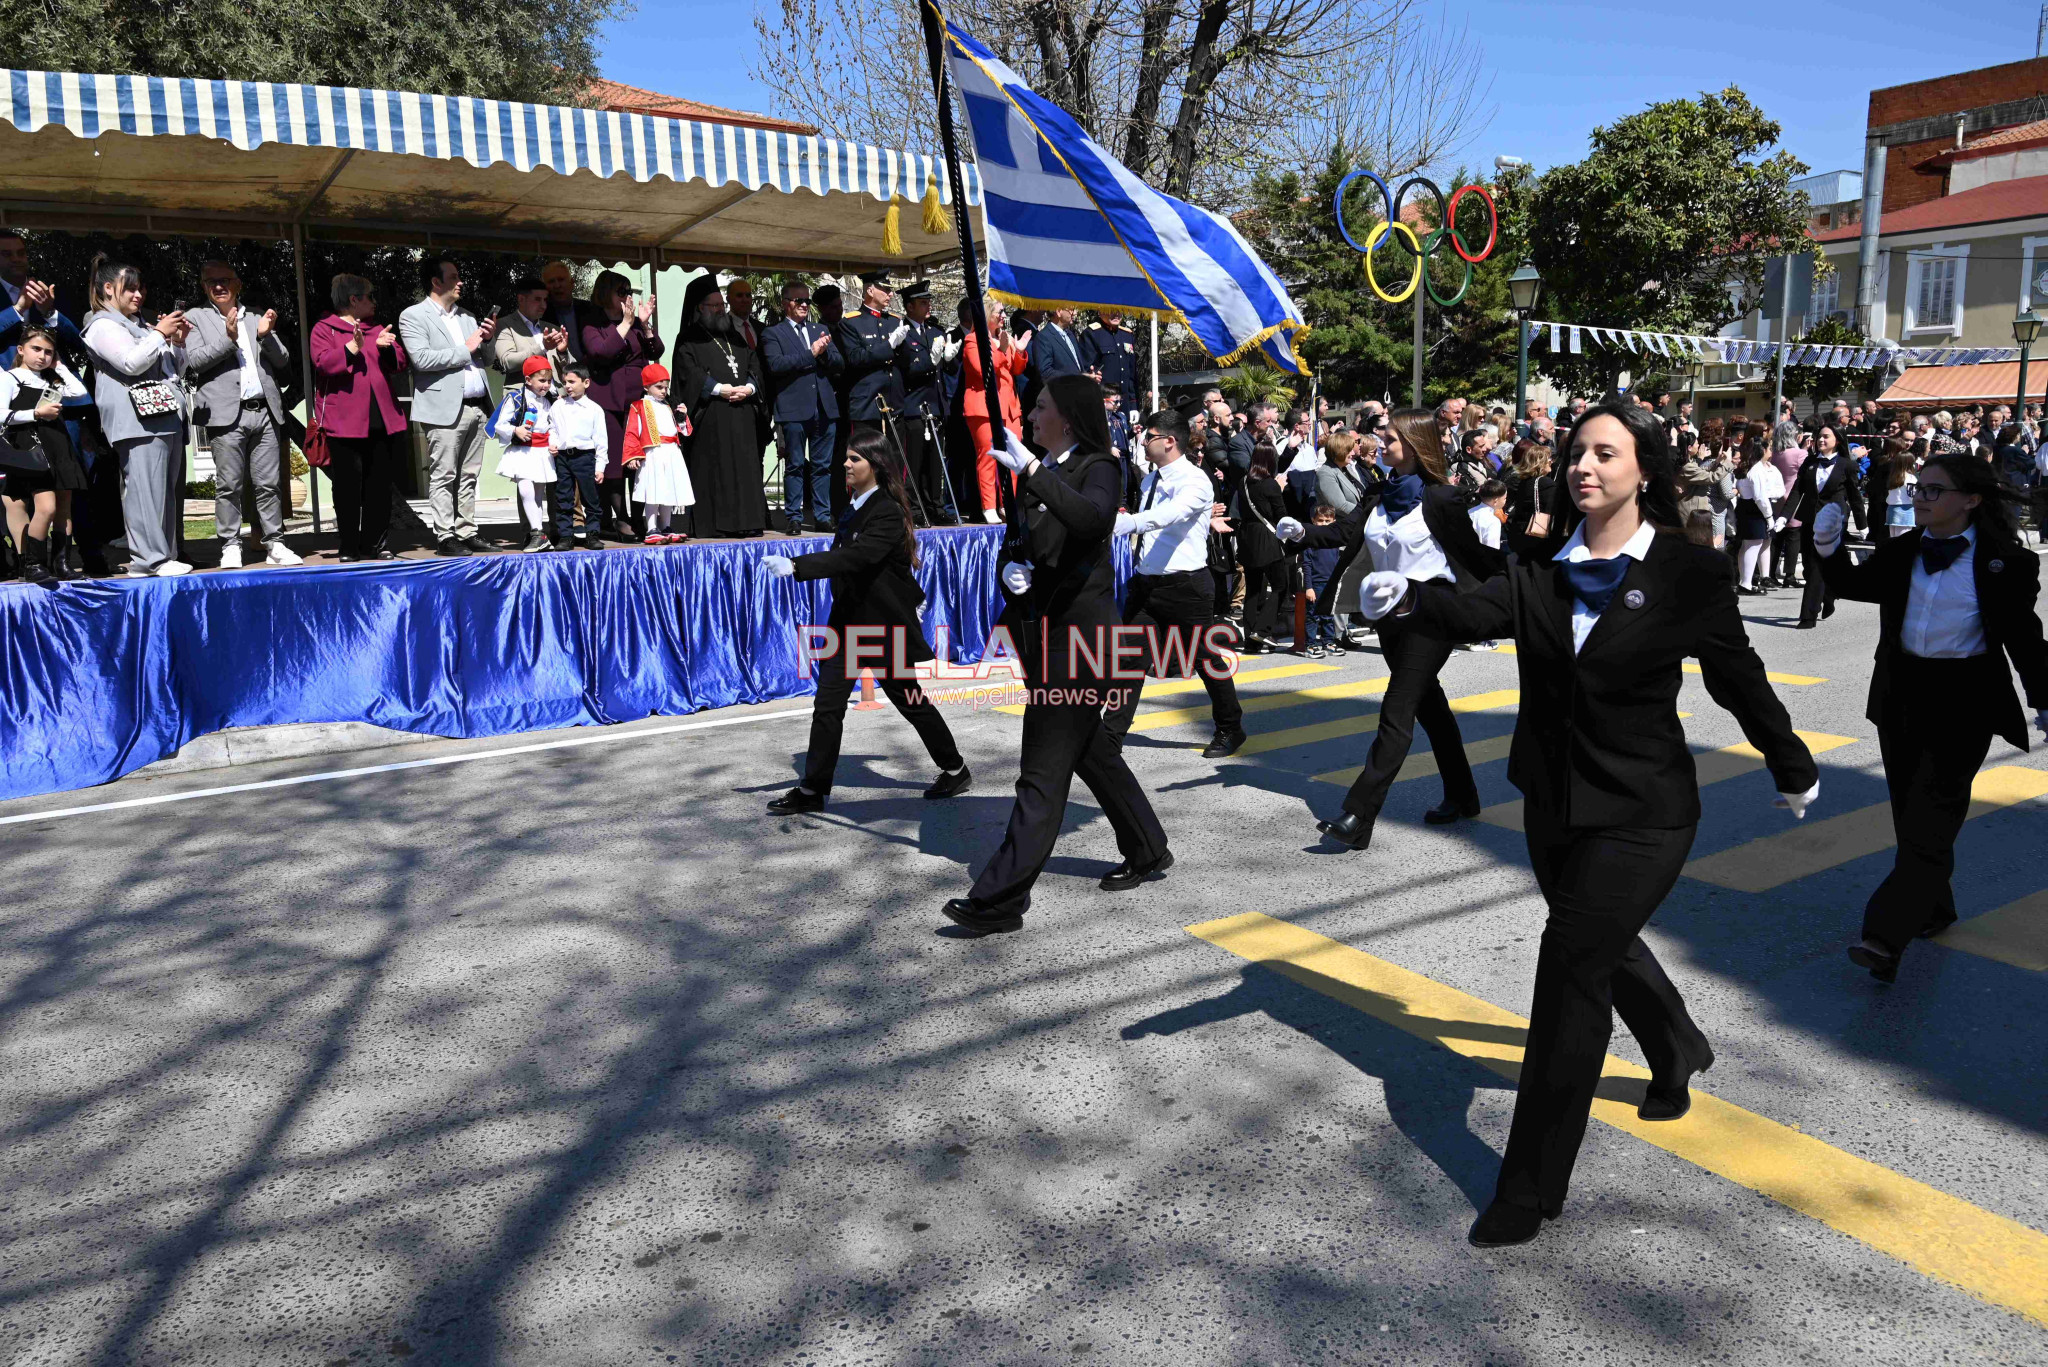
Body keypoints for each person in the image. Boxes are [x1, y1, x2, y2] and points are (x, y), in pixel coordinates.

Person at [1355, 400, 1818, 1246]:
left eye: (1606, 453)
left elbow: (1736, 676)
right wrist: (1409, 599)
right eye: (1577, 452)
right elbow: (1478, 608)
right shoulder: (1546, 563)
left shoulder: (1690, 570)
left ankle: (1528, 1186)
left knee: (1569, 971)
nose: (1585, 466)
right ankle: (1677, 1042)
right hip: (1552, 800)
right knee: (1596, 942)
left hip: (1645, 810)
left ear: (1645, 468)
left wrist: (1791, 761)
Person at [943, 374, 1170, 936]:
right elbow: (1022, 549)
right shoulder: (1036, 472)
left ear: (1066, 417)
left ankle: (1000, 897)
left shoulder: (1098, 465)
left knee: (1041, 771)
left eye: (1039, 407)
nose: (1029, 414)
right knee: (1091, 751)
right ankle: (1147, 847)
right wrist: (1012, 574)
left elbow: (1093, 521)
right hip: (1044, 635)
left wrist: (1034, 472)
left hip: (1083, 644)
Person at [1816, 454, 2048, 984]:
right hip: (1901, 697)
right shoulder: (1901, 552)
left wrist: (2044, 700)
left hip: (1964, 703)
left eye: (1935, 490)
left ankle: (1884, 936)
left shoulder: (2006, 562)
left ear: (1971, 500)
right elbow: (1851, 586)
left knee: (1931, 818)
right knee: (1911, 816)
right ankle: (1935, 908)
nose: (1920, 497)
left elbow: (2025, 640)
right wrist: (1827, 549)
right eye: (1919, 488)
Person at [1294, 408, 1503, 852]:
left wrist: (1536, 570)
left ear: (1413, 444)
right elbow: (1345, 534)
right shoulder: (1379, 491)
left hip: (1434, 612)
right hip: (1389, 617)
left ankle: (1359, 815)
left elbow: (1477, 558)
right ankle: (1463, 795)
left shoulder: (1442, 498)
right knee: (1430, 706)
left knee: (1398, 707)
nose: (1379, 443)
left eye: (1388, 438)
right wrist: (1301, 534)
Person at [760, 428, 971, 813]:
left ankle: (955, 768)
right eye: (846, 457)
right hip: (848, 624)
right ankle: (812, 790)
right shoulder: (855, 505)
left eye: (854, 459)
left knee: (910, 702)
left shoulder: (886, 511)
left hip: (880, 627)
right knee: (827, 706)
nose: (846, 464)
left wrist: (797, 566)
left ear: (875, 465)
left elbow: (857, 558)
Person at [1100, 407, 1247, 756]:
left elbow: (1171, 515)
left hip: (1186, 586)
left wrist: (1129, 523)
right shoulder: (1151, 480)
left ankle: (1230, 727)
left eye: (1148, 436)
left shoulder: (1195, 480)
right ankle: (1110, 735)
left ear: (1169, 441)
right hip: (1146, 585)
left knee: (1204, 659)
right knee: (1130, 660)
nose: (1143, 441)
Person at [185, 260, 300, 569]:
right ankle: (230, 544)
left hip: (264, 411)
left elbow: (284, 360)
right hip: (226, 415)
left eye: (224, 280)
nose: (218, 286)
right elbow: (194, 361)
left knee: (269, 484)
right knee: (228, 486)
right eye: (211, 282)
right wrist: (228, 338)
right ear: (203, 287)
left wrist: (266, 336)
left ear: (237, 285)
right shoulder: (195, 318)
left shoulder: (257, 316)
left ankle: (274, 543)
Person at [82, 255, 191, 578]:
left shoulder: (141, 325)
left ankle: (162, 555)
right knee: (144, 490)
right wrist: (159, 334)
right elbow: (130, 363)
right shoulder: (101, 324)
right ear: (107, 288)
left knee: (164, 492)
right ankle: (148, 558)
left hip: (163, 416)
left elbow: (175, 370)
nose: (138, 295)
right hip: (136, 420)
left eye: (140, 289)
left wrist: (177, 343)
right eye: (129, 289)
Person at [397, 258, 498, 557]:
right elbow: (421, 360)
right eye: (453, 277)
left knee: (470, 475)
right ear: (435, 282)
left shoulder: (467, 316)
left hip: (477, 407)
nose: (460, 281)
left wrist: (487, 341)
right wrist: (464, 349)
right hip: (443, 408)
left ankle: (467, 530)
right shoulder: (413, 316)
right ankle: (445, 536)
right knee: (444, 475)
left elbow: (486, 358)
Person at [311, 274, 408, 562]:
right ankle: (349, 546)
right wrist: (351, 348)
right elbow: (323, 364)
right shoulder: (324, 329)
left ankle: (375, 543)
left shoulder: (377, 328)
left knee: (379, 485)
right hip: (344, 423)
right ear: (354, 300)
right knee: (347, 487)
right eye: (369, 297)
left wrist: (387, 347)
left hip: (381, 419)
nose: (374, 302)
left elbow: (400, 363)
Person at [675, 276, 768, 539]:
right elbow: (688, 373)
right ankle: (716, 526)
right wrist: (719, 389)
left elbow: (753, 365)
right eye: (713, 305)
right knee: (717, 472)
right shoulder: (688, 339)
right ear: (700, 309)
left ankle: (748, 523)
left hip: (743, 415)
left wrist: (749, 388)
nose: (720, 310)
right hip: (711, 417)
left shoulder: (735, 336)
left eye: (720, 305)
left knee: (746, 470)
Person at [578, 269, 665, 541]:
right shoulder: (593, 322)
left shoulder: (636, 324)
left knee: (638, 461)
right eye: (621, 291)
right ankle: (619, 518)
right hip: (608, 401)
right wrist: (626, 324)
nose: (627, 296)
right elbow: (600, 352)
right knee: (615, 462)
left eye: (629, 291)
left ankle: (639, 516)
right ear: (606, 293)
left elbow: (656, 351)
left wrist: (645, 324)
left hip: (637, 402)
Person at [1, 327, 91, 582]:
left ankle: (61, 564)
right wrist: (36, 414)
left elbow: (79, 391)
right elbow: (0, 414)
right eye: (36, 349)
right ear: (21, 350)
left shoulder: (51, 380)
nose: (42, 356)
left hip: (58, 444)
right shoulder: (11, 378)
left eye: (48, 352)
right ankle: (32, 564)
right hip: (30, 448)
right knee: (46, 507)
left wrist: (60, 365)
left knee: (64, 507)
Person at [760, 280, 843, 532]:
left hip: (824, 408)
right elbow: (776, 365)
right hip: (794, 409)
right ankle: (794, 517)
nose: (805, 305)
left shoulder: (820, 328)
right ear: (786, 304)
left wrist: (825, 352)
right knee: (795, 466)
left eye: (807, 301)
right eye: (799, 301)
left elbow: (839, 364)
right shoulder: (773, 333)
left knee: (823, 467)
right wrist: (811, 353)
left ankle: (822, 516)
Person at [1787, 423, 1866, 628]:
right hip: (1809, 520)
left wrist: (1862, 525)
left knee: (1816, 567)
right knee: (1808, 568)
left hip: (1832, 523)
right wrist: (1784, 516)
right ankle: (1828, 594)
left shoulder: (1846, 465)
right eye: (1818, 436)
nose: (1820, 440)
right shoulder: (1810, 462)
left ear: (1836, 441)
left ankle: (1808, 616)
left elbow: (1855, 496)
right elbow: (1797, 490)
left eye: (1825, 436)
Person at [958, 299, 1030, 523]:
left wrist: (1018, 351)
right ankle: (989, 506)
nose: (1003, 316)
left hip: (1009, 409)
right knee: (988, 457)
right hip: (984, 409)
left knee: (1013, 458)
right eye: (999, 311)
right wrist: (1000, 349)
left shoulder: (1004, 338)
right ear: (987, 313)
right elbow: (982, 371)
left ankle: (1007, 504)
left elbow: (1016, 369)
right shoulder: (972, 340)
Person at [895, 280, 956, 524]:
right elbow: (908, 368)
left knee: (934, 463)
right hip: (914, 406)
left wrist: (949, 359)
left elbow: (946, 370)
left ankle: (936, 507)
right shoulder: (903, 334)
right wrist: (930, 362)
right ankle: (915, 509)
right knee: (914, 463)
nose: (927, 306)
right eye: (922, 302)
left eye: (928, 301)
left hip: (934, 406)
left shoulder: (935, 333)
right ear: (909, 307)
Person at [492, 354, 557, 553]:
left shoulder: (548, 400)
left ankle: (538, 535)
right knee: (525, 489)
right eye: (541, 380)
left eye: (548, 381)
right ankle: (537, 532)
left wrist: (553, 442)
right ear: (528, 380)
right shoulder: (515, 398)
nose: (546, 385)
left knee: (537, 495)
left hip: (541, 452)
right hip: (522, 451)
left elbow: (552, 425)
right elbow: (500, 423)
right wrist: (515, 430)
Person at [624, 362, 693, 544]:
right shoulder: (639, 406)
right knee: (653, 491)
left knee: (668, 489)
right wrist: (633, 455)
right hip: (653, 453)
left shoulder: (669, 406)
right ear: (647, 386)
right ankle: (651, 527)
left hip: (671, 452)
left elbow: (682, 431)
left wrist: (682, 417)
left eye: (666, 387)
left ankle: (666, 526)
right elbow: (632, 432)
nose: (664, 391)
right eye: (659, 387)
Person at [1234, 443, 1291, 654]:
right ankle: (1263, 630)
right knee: (1279, 585)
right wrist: (1281, 489)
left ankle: (1252, 641)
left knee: (1252, 589)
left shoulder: (1243, 482)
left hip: (1247, 536)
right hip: (1266, 538)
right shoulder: (1271, 485)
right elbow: (1281, 516)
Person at [548, 363, 606, 550]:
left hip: (585, 457)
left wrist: (600, 467)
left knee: (591, 497)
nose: (568, 386)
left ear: (586, 382)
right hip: (564, 457)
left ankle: (593, 534)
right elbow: (553, 428)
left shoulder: (594, 409)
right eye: (565, 382)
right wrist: (553, 443)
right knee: (564, 496)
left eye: (572, 381)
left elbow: (601, 440)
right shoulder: (558, 406)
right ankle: (566, 535)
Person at [492, 274, 570, 385]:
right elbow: (508, 362)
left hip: (558, 398)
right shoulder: (505, 325)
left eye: (545, 300)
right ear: (521, 299)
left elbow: (572, 369)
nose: (543, 306)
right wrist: (543, 347)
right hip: (525, 397)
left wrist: (562, 353)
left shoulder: (553, 329)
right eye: (537, 299)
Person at [1733, 435, 1785, 594]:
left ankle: (1744, 581)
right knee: (1753, 546)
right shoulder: (1756, 469)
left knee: (1746, 546)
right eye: (1768, 448)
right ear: (1761, 450)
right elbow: (1761, 497)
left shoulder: (1747, 467)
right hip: (1754, 510)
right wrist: (1769, 517)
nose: (1770, 451)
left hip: (1746, 507)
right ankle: (1746, 583)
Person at [1297, 503, 1344, 659]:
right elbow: (1307, 565)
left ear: (1334, 521)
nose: (1324, 524)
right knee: (1313, 616)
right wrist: (1308, 588)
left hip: (1331, 583)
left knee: (1328, 615)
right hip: (1316, 584)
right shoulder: (1311, 540)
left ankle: (1328, 642)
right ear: (1313, 520)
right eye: (1321, 520)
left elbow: (1338, 562)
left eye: (1327, 521)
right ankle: (1310, 645)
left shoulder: (1334, 540)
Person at [1505, 437, 1559, 561]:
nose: (1551, 462)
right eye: (1548, 459)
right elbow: (1552, 509)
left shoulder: (1525, 481)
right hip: (1536, 535)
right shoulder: (1545, 484)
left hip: (1519, 534)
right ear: (1540, 463)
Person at [1080, 310, 1139, 413]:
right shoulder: (1092, 334)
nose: (1116, 314)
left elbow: (1130, 374)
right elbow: (1087, 372)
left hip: (1124, 404)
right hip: (1103, 404)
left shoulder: (1127, 335)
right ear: (1100, 311)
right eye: (1111, 310)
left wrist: (1133, 404)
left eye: (1120, 310)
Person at [1865, 435, 1916, 544]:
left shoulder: (1881, 461)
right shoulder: (1895, 467)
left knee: (1886, 533)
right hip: (1895, 505)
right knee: (1898, 539)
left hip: (1884, 502)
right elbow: (1912, 494)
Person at [538, 260, 583, 360]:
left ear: (572, 283)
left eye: (561, 280)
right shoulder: (540, 316)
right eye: (551, 282)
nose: (557, 286)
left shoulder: (589, 310)